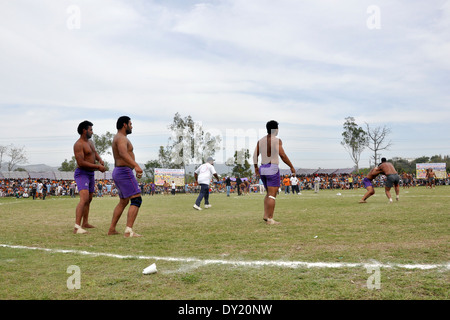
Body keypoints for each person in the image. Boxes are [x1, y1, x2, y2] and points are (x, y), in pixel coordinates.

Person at [253, 120, 295, 225]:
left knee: (268, 193)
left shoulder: (260, 141)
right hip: (272, 168)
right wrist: (291, 167)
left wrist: (256, 168)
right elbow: (283, 155)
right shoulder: (276, 140)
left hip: (263, 168)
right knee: (272, 194)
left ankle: (266, 215)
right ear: (276, 129)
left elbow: (255, 155)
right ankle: (270, 219)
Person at [108, 116, 144, 237]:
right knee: (137, 199)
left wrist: (134, 168)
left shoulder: (119, 137)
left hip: (120, 171)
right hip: (124, 172)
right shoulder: (121, 138)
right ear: (125, 125)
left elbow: (125, 155)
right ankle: (128, 231)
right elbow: (123, 154)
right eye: (130, 124)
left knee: (123, 201)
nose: (131, 126)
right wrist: (136, 165)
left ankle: (112, 229)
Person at [73, 120, 106, 234]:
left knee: (89, 199)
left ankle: (85, 223)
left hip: (91, 174)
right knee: (84, 199)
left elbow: (94, 153)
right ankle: (77, 227)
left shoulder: (90, 142)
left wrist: (100, 160)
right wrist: (98, 167)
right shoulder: (78, 144)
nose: (92, 132)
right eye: (90, 129)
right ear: (84, 130)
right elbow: (81, 162)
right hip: (82, 173)